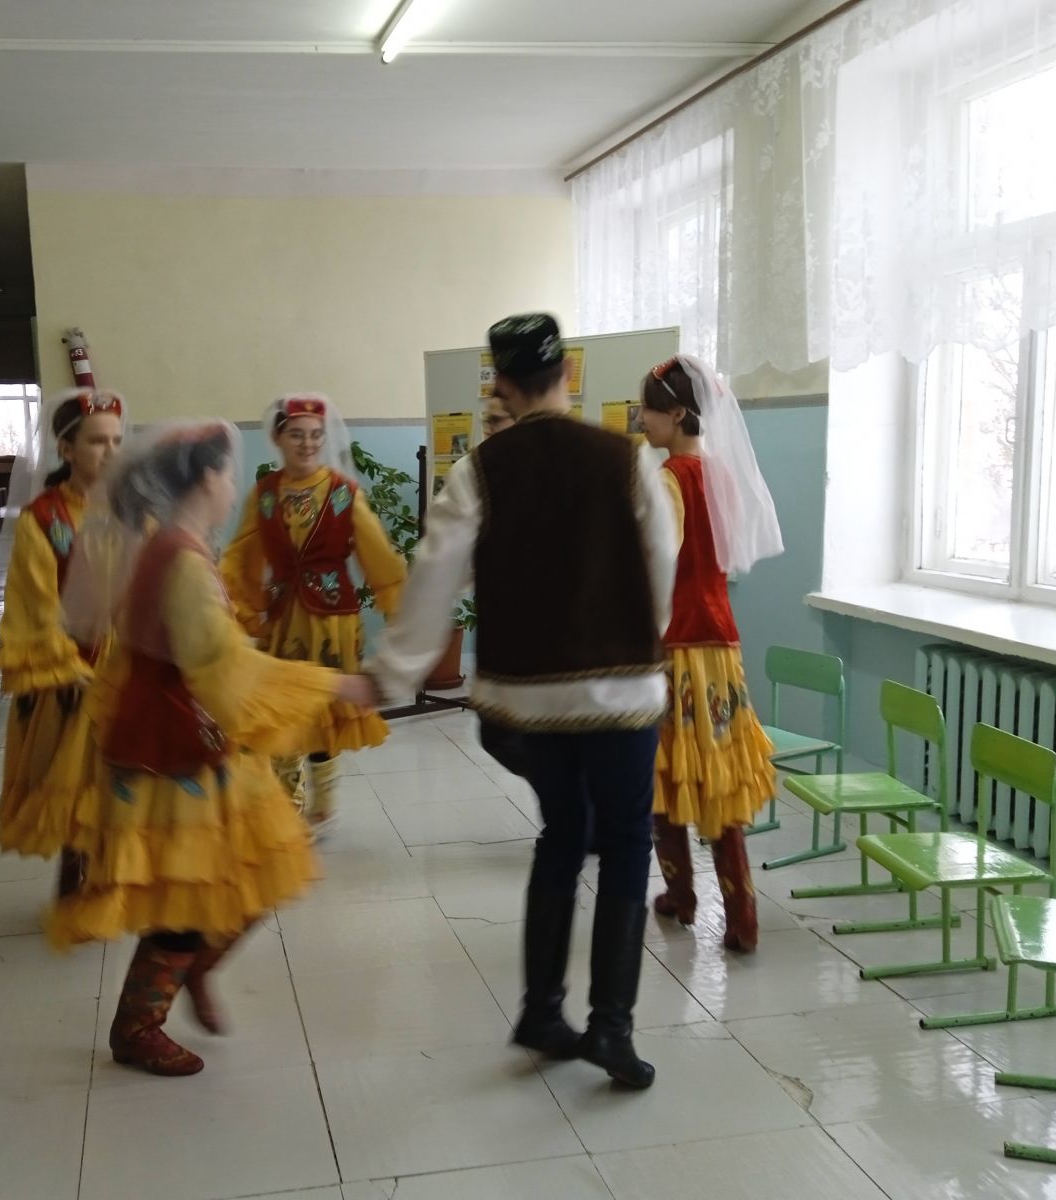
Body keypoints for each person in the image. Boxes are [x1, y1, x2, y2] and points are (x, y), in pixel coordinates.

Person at [369, 313, 678, 1090]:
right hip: (620, 692)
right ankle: (611, 1029)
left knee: (560, 836)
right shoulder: (626, 460)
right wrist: (640, 633)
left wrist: (393, 672)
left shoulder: (478, 472)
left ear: (500, 382)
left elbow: (435, 575)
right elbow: (660, 561)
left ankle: (542, 1010)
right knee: (627, 844)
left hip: (529, 700)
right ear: (567, 372)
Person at [48, 422, 377, 1077]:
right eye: (228, 472)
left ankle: (192, 970)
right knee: (193, 893)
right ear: (204, 478)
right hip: (173, 746)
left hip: (189, 734)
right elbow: (225, 672)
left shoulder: (175, 547)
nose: (234, 485)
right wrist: (335, 684)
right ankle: (137, 1025)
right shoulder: (179, 558)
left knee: (258, 869)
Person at [638, 356, 783, 953]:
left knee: (667, 769)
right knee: (717, 775)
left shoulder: (668, 479)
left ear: (676, 414)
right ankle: (741, 914)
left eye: (647, 410)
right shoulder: (720, 475)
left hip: (676, 646)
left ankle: (681, 895)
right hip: (720, 644)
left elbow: (658, 567)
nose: (640, 419)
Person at [220, 394, 406, 829]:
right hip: (282, 618)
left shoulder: (343, 493)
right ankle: (288, 802)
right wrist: (240, 607)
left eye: (316, 435)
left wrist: (400, 618)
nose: (307, 444)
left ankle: (323, 798)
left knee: (323, 710)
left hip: (332, 621)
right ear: (277, 438)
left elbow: (379, 559)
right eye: (297, 435)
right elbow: (242, 555)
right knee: (283, 709)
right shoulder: (265, 495)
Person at [0, 388, 124, 884]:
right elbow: (35, 603)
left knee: (127, 778)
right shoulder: (44, 518)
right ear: (67, 449)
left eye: (116, 441)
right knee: (74, 775)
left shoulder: (134, 510)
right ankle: (77, 873)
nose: (110, 452)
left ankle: (119, 873)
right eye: (97, 441)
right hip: (71, 666)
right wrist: (68, 668)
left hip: (129, 664)